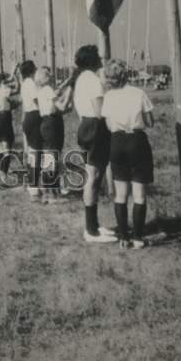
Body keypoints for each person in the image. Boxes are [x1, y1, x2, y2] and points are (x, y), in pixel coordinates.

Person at [101, 58, 155, 249]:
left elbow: (108, 125)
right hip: (137, 141)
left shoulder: (108, 97)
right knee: (139, 195)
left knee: (120, 194)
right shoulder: (138, 92)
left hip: (117, 142)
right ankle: (139, 238)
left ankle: (124, 237)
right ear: (125, 74)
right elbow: (150, 121)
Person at [70, 45, 117, 243]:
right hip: (95, 126)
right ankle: (90, 229)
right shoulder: (92, 80)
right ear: (91, 60)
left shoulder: (82, 79)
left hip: (86, 125)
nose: (100, 59)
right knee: (94, 176)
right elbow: (100, 111)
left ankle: (94, 225)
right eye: (97, 56)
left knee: (95, 177)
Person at [34, 66, 66, 204]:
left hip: (45, 123)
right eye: (49, 75)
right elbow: (62, 107)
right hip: (52, 123)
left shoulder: (42, 91)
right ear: (45, 78)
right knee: (52, 158)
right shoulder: (48, 90)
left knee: (49, 157)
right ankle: (51, 193)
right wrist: (69, 92)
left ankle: (49, 191)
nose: (51, 76)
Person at [18, 60, 42, 199]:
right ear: (32, 71)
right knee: (36, 153)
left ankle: (30, 183)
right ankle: (33, 185)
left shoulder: (24, 84)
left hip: (28, 116)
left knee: (32, 152)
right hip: (34, 116)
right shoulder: (31, 84)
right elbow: (37, 101)